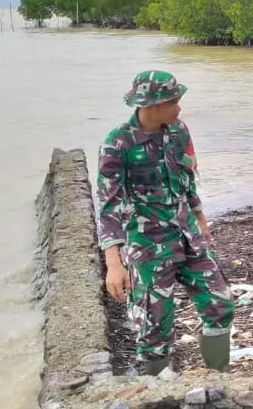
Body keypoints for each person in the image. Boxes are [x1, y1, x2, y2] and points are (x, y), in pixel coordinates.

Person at [97, 71, 234, 375]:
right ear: (153, 105)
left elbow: (187, 179)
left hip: (187, 236)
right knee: (154, 330)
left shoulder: (178, 131)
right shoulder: (117, 144)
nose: (180, 108)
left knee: (220, 304)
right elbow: (109, 206)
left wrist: (200, 218)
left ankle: (220, 380)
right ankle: (157, 395)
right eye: (174, 102)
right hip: (148, 247)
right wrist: (114, 264)